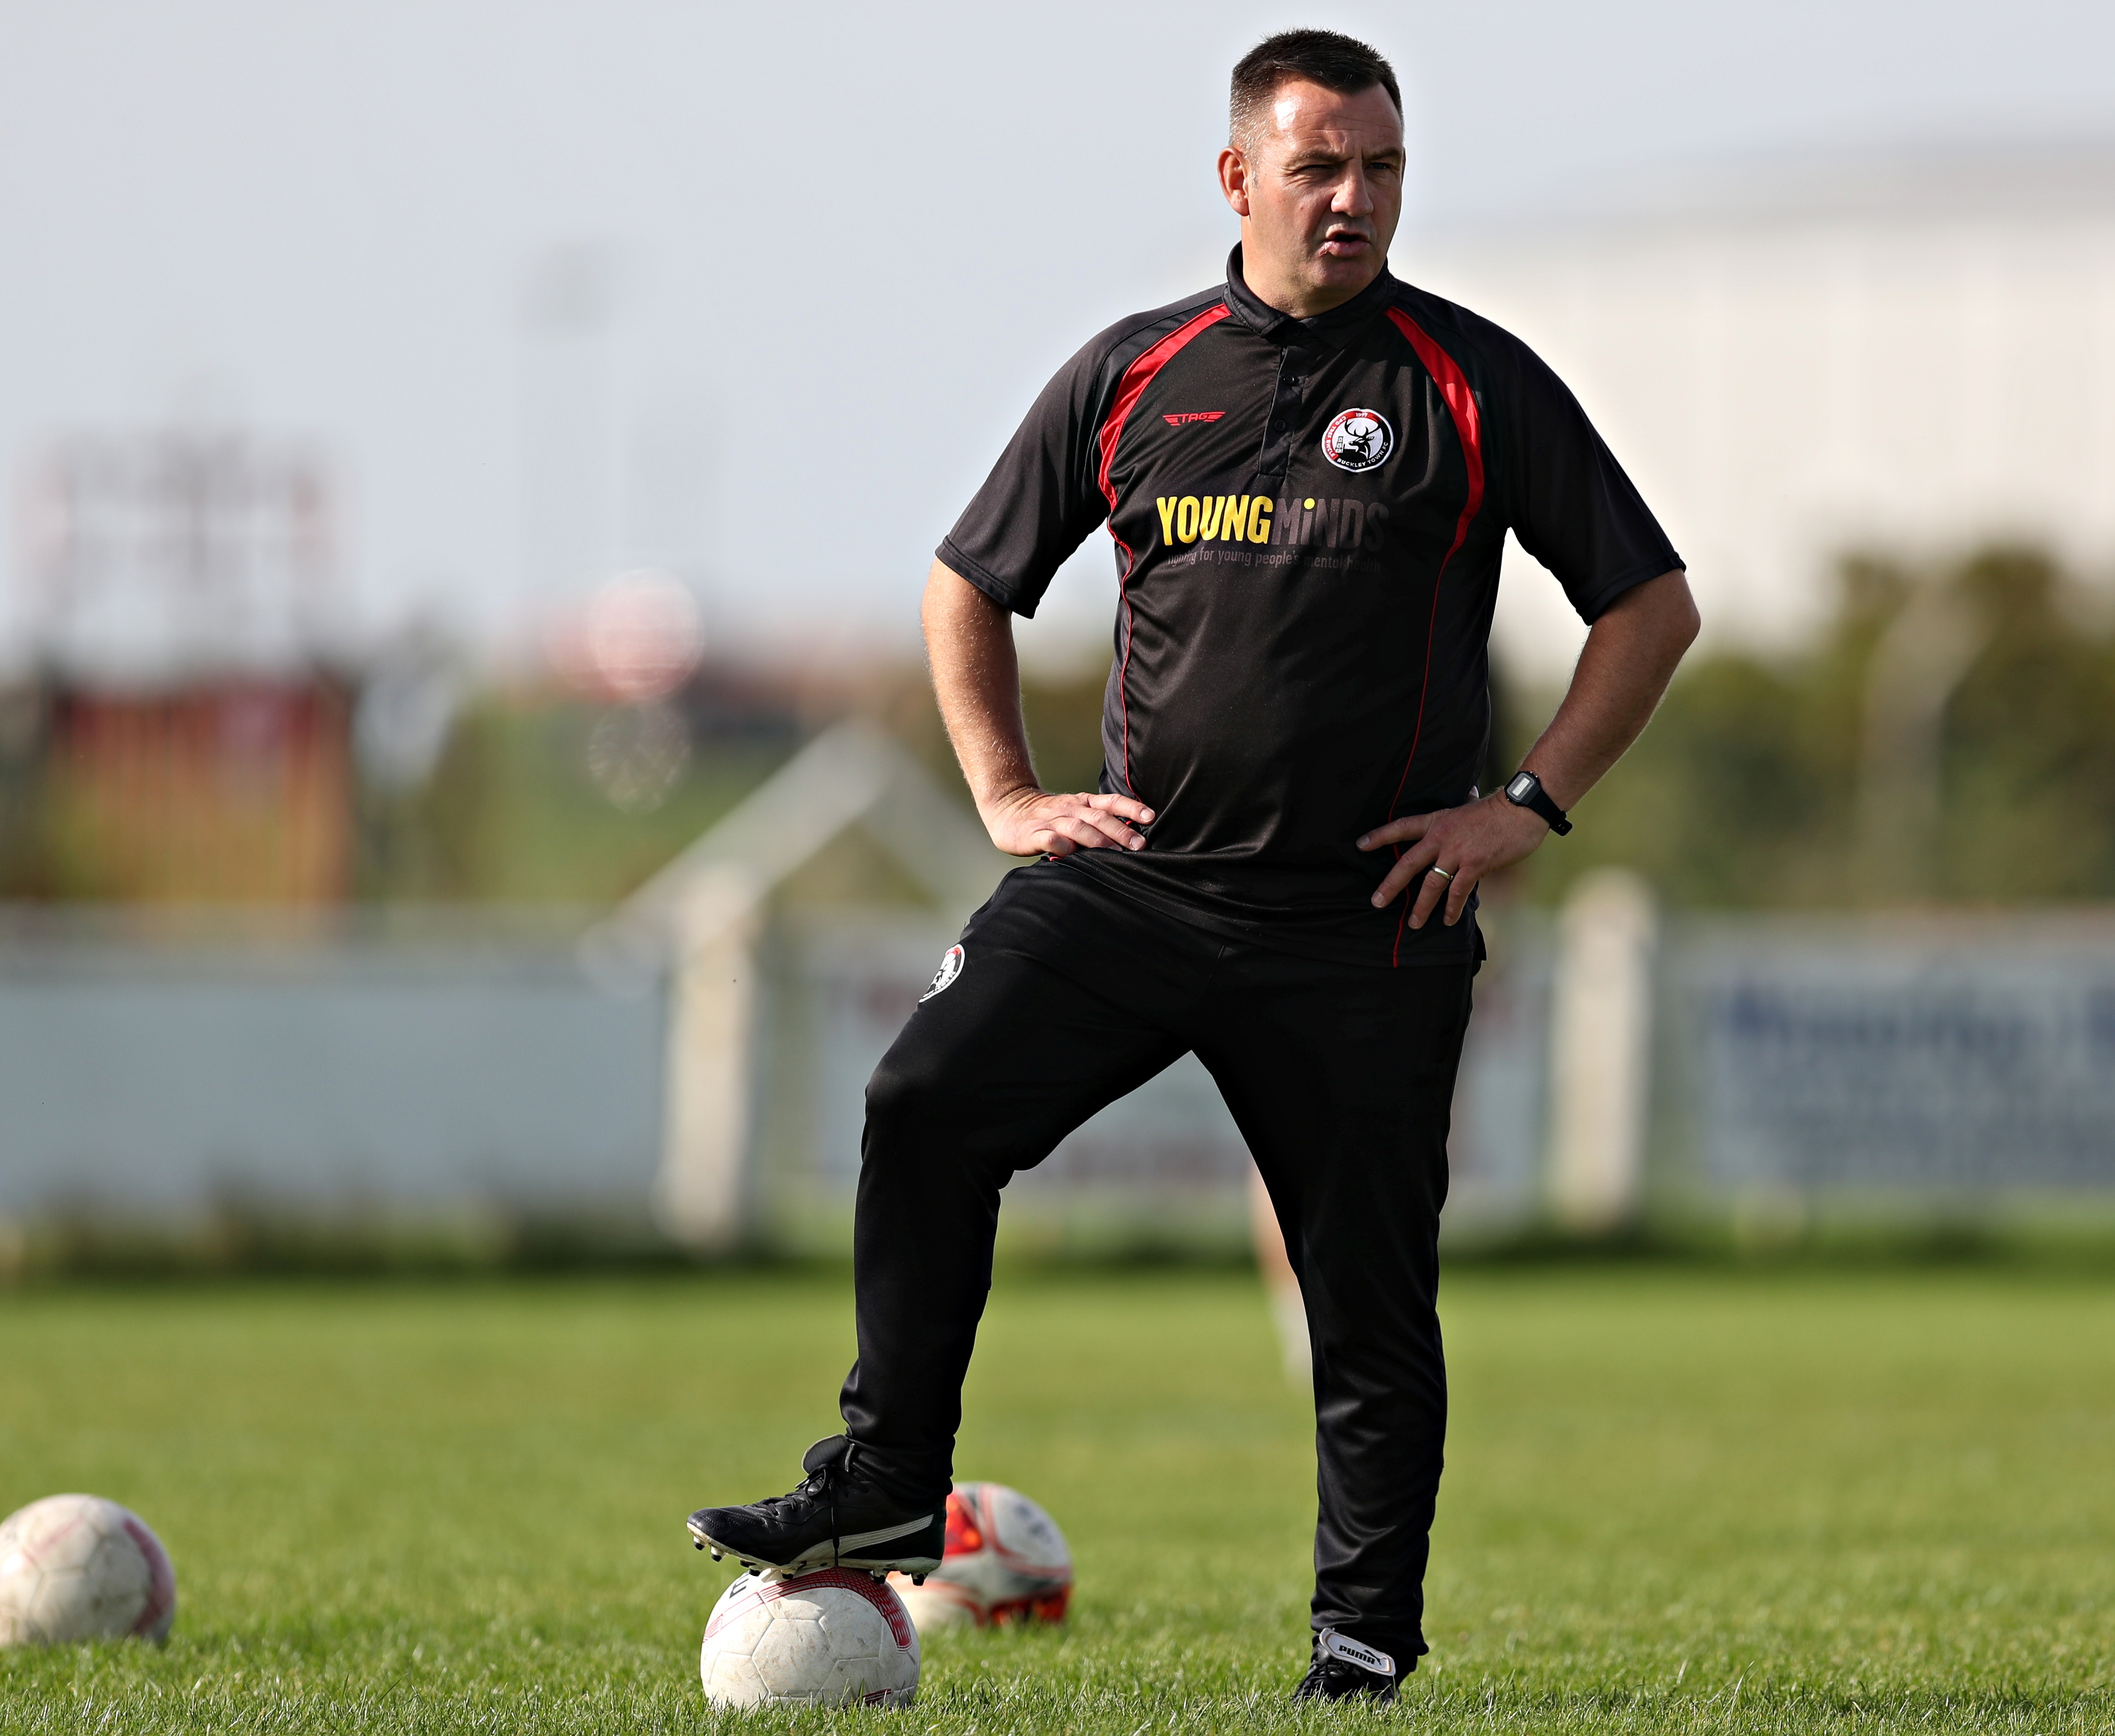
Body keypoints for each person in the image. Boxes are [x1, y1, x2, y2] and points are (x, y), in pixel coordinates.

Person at [687, 27, 1698, 1703]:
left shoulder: (1471, 381)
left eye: (1381, 168)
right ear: (1238, 178)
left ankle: (1360, 1644)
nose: (1354, 199)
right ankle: (884, 1480)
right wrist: (1010, 790)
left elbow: (1649, 610)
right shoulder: (1137, 372)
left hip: (1369, 913)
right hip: (1138, 887)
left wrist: (1525, 803)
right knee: (925, 1100)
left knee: (1367, 1296)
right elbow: (968, 584)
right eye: (1320, 167)